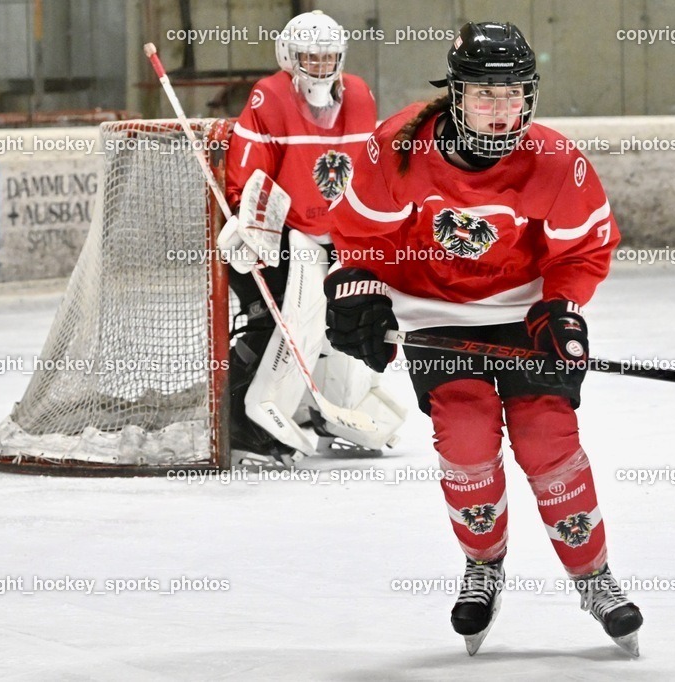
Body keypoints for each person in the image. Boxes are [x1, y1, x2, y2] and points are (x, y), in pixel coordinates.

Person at [321, 22, 643, 656]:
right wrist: (357, 289)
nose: (501, 111)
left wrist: (562, 309)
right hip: (435, 314)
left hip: (521, 315)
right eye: (484, 95)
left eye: (513, 94)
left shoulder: (553, 160)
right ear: (456, 95)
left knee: (547, 437)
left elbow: (585, 246)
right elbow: (359, 236)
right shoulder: (402, 149)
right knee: (466, 441)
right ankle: (483, 565)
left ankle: (594, 576)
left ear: (530, 96)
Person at [222, 10, 404, 466]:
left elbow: (367, 170)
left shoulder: (360, 95)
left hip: (340, 235)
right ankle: (249, 423)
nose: (320, 66)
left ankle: (334, 412)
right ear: (288, 55)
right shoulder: (270, 96)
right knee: (289, 325)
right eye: (310, 57)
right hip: (284, 235)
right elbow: (247, 173)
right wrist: (250, 226)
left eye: (329, 57)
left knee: (354, 316)